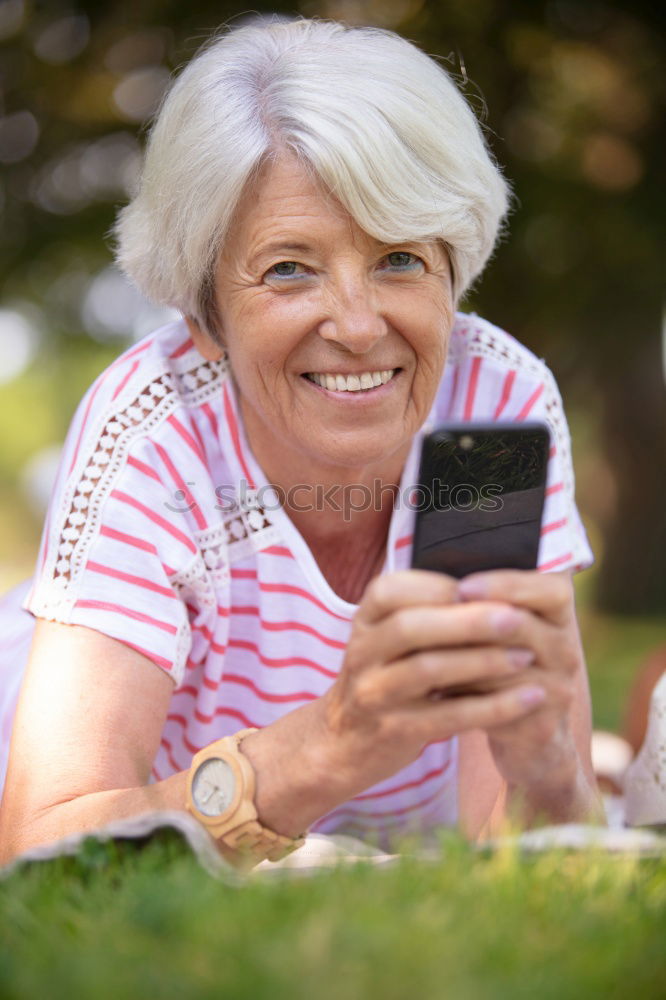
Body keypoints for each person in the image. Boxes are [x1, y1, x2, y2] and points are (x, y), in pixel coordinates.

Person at [0, 16, 602, 870]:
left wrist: (548, 767)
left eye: (399, 258)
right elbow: (44, 848)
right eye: (289, 267)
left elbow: (523, 855)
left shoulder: (487, 415)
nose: (359, 327)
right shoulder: (159, 429)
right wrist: (327, 745)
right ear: (204, 314)